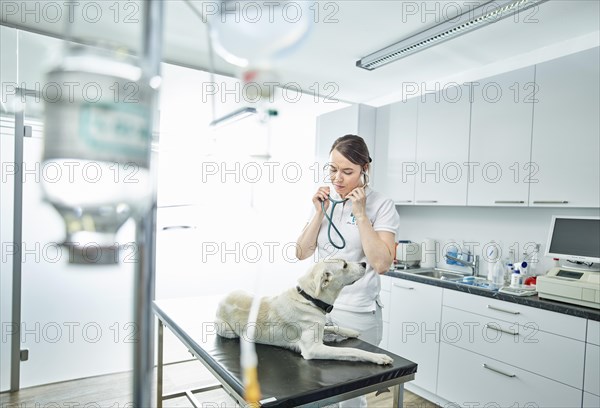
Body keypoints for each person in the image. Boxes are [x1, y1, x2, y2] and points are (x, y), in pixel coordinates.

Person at [296, 134, 399, 408]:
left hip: (358, 314)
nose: (337, 178)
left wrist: (361, 214)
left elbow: (382, 264)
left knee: (349, 397)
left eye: (347, 171)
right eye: (332, 169)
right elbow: (302, 252)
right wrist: (318, 212)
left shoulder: (381, 205)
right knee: (319, 388)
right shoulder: (326, 200)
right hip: (319, 310)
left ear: (365, 170)